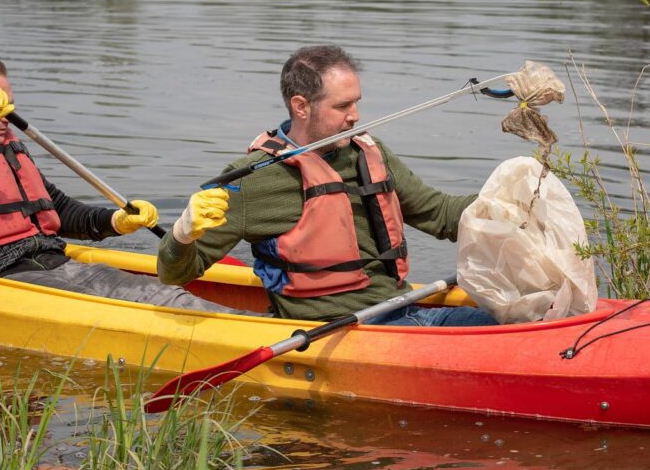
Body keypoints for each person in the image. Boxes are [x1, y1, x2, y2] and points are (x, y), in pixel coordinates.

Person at [0, 55, 258, 316]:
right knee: (156, 303)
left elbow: (57, 209)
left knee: (164, 294)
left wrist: (114, 222)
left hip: (49, 262)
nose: (7, 116)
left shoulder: (7, 148)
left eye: (9, 105)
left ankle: (266, 325)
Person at [157, 45, 498, 326]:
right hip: (336, 331)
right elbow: (175, 272)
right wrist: (184, 233)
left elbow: (439, 214)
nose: (355, 115)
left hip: (403, 310)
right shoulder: (251, 180)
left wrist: (509, 202)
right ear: (301, 107)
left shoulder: (368, 151)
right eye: (343, 106)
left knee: (516, 320)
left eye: (357, 102)